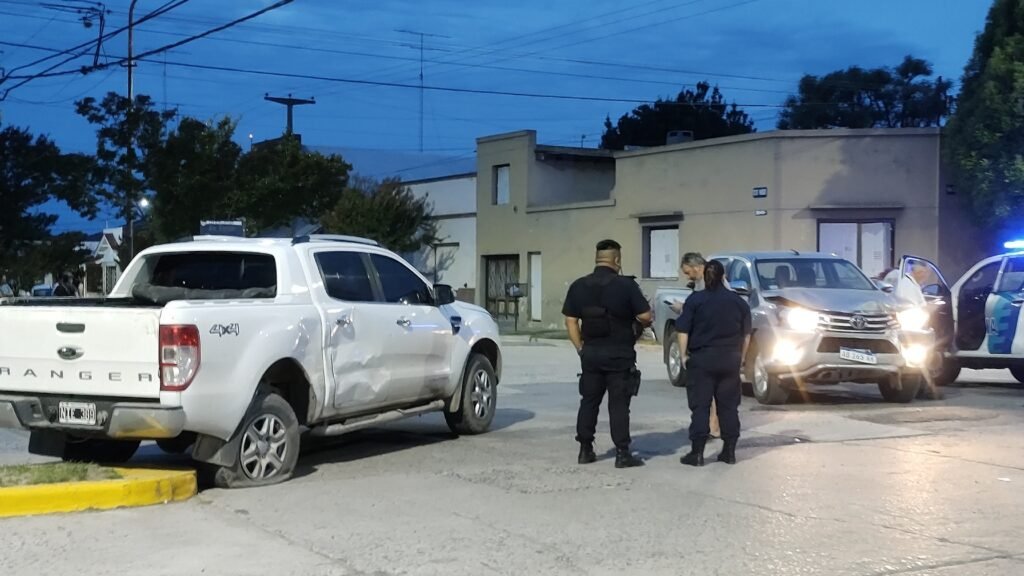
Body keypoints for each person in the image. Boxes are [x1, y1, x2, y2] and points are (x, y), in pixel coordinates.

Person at [563, 239, 653, 469]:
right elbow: (646, 316)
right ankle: (622, 453)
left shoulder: (578, 286)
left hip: (590, 354)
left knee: (589, 401)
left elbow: (571, 321)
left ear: (597, 258)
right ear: (617, 260)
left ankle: (585, 449)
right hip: (619, 355)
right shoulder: (626, 286)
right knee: (619, 405)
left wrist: (580, 348)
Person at [675, 259, 752, 466]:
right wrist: (742, 358)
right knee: (728, 407)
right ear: (723, 277)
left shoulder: (695, 300)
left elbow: (683, 330)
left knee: (701, 406)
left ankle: (697, 453)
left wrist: (683, 356)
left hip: (702, 359)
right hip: (730, 359)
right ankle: (729, 451)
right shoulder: (738, 302)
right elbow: (746, 336)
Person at [669, 252, 731, 438]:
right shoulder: (706, 282)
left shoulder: (707, 282)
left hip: (708, 343)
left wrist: (684, 308)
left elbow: (703, 310)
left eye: (688, 272)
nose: (688, 276)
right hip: (722, 344)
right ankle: (716, 425)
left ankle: (713, 426)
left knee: (707, 390)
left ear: (697, 267)